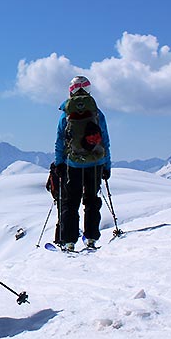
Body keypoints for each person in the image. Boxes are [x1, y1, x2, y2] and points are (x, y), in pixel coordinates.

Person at [53, 76, 111, 251]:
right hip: (95, 163)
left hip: (74, 164)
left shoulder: (66, 114)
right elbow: (105, 141)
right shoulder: (97, 113)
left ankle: (69, 241)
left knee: (71, 203)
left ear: (71, 91)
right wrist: (107, 166)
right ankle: (91, 238)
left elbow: (60, 141)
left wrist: (60, 164)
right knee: (92, 201)